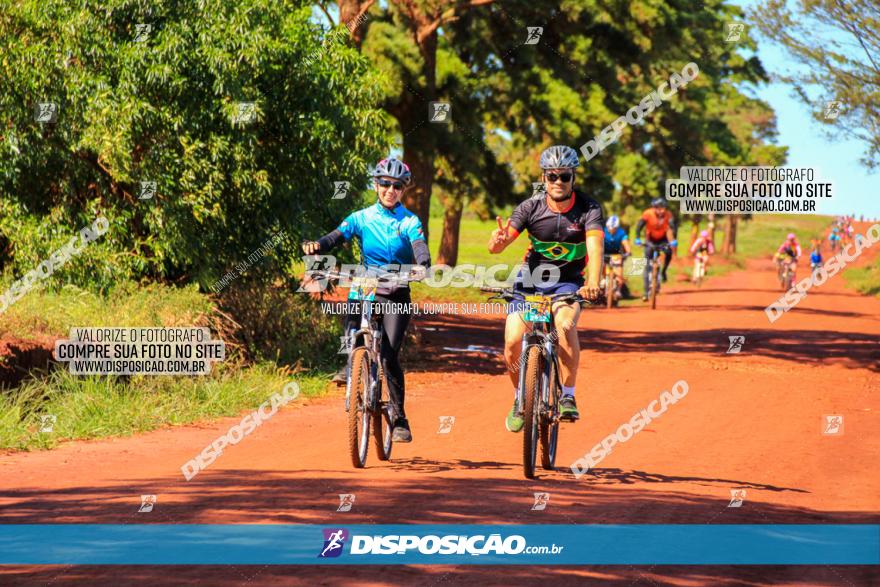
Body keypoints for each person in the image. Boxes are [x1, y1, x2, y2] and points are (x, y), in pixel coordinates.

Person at [302, 157, 430, 443]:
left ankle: (399, 418)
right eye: (385, 184)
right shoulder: (361, 216)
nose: (390, 190)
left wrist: (422, 263)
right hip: (367, 285)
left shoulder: (409, 221)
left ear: (403, 190)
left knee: (388, 355)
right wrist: (317, 245)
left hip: (396, 291)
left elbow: (419, 246)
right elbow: (337, 236)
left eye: (397, 186)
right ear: (376, 185)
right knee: (354, 307)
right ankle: (352, 360)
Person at [487, 145, 603, 430]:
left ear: (573, 177)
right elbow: (497, 247)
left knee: (564, 326)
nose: (558, 182)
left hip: (569, 282)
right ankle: (519, 398)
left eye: (565, 176)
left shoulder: (589, 208)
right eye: (553, 176)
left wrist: (592, 282)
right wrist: (498, 241)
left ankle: (568, 396)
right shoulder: (530, 207)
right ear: (544, 177)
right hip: (530, 282)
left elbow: (596, 247)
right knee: (513, 341)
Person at [634, 197, 677, 301]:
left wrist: (673, 239)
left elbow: (672, 226)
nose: (662, 210)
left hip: (663, 239)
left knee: (668, 252)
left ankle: (663, 272)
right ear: (654, 208)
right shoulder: (648, 213)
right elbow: (640, 225)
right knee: (647, 266)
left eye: (663, 208)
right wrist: (638, 238)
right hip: (650, 239)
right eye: (659, 208)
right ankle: (645, 293)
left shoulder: (668, 214)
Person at [603, 215, 632, 298]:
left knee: (619, 273)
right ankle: (602, 282)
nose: (611, 230)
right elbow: (598, 242)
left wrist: (628, 251)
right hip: (605, 253)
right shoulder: (603, 231)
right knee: (601, 268)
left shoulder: (621, 233)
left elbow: (625, 242)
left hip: (617, 254)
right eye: (609, 227)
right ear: (607, 226)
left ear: (617, 227)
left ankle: (618, 290)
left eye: (614, 228)